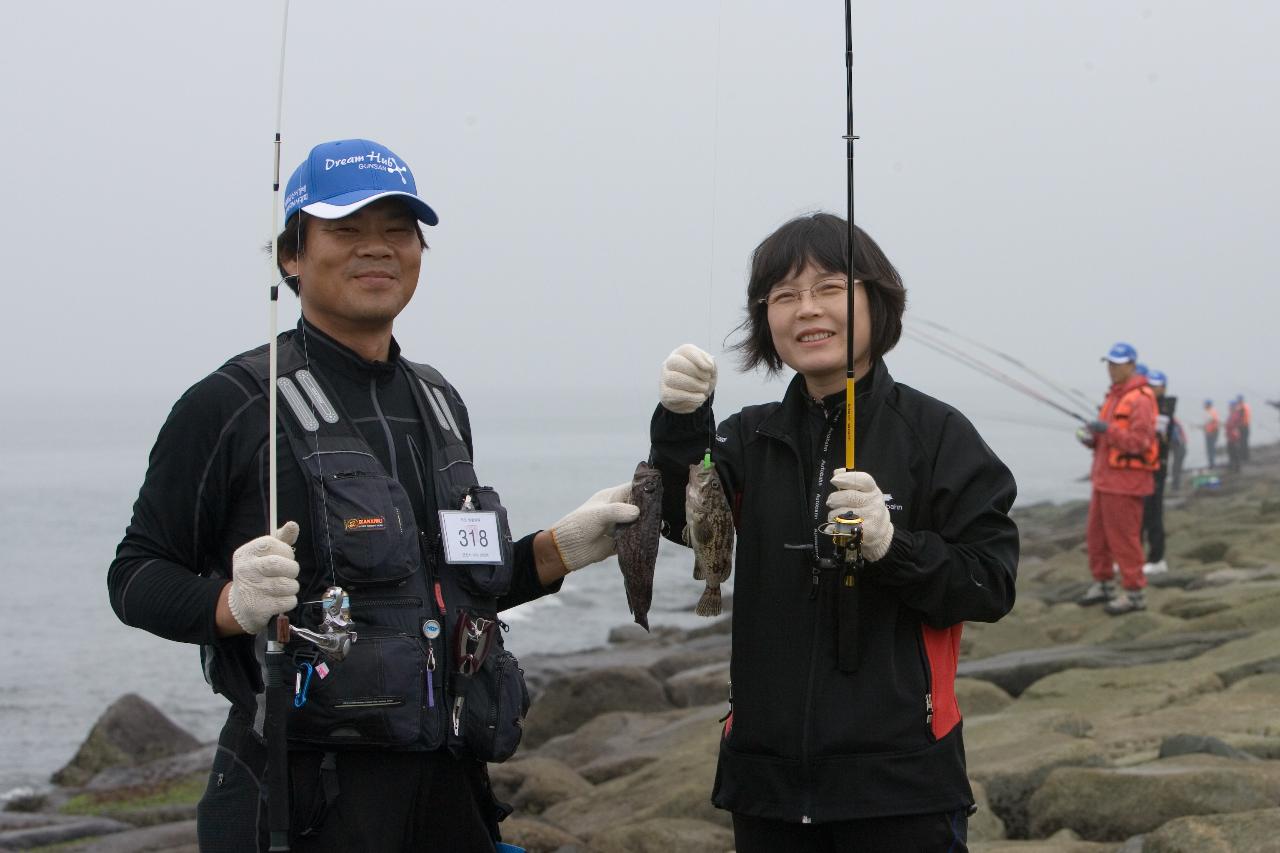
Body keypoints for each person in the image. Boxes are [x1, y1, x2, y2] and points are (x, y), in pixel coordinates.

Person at [107, 139, 639, 852]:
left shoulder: (440, 401)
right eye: (347, 230)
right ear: (292, 255)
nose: (378, 249)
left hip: (451, 795)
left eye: (398, 230)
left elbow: (446, 597)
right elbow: (136, 574)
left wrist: (562, 547)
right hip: (300, 800)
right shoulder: (233, 405)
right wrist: (230, 605)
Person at [649, 213, 1018, 851]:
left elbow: (989, 583)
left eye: (829, 288)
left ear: (878, 301)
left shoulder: (936, 435)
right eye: (784, 296)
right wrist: (681, 424)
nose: (806, 310)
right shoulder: (745, 435)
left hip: (903, 786)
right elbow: (685, 520)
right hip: (765, 785)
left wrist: (890, 546)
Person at [1076, 342, 1157, 614]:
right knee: (1096, 537)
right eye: (1110, 363)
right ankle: (1104, 585)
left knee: (1125, 540)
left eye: (1118, 363)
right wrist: (1092, 438)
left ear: (1132, 365)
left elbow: (1140, 442)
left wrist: (1106, 430)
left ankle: (1134, 593)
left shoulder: (1142, 399)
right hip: (1104, 480)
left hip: (1125, 484)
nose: (1112, 369)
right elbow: (1108, 439)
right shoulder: (1114, 397)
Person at [1141, 370, 1176, 575]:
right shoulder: (1151, 405)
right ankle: (1146, 557)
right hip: (1147, 469)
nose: (1151, 389)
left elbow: (1156, 433)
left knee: (1153, 513)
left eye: (1155, 386)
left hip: (1157, 469)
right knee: (1142, 514)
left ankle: (1157, 558)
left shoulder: (1165, 408)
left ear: (1163, 387)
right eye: (1149, 385)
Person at [1225, 397, 1245, 474]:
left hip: (1234, 436)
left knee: (1235, 452)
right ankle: (1232, 466)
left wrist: (1228, 425)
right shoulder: (1232, 414)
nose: (1229, 407)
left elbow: (1234, 424)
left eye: (1230, 406)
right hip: (1230, 436)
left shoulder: (1236, 414)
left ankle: (1237, 467)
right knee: (1230, 451)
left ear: (1233, 406)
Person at [1202, 399, 1221, 468]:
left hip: (1212, 433)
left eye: (1205, 404)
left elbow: (1214, 421)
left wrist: (1211, 431)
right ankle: (1211, 463)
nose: (1204, 405)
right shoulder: (1208, 412)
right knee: (1209, 449)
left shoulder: (1212, 412)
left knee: (1211, 449)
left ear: (1208, 405)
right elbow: (1207, 423)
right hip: (1208, 433)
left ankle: (1212, 464)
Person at [1238, 394, 1252, 462]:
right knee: (1244, 442)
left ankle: (1244, 457)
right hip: (1246, 426)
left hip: (1243, 426)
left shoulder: (1242, 407)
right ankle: (1245, 456)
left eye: (1239, 400)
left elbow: (1240, 416)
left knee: (1243, 442)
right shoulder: (1245, 406)